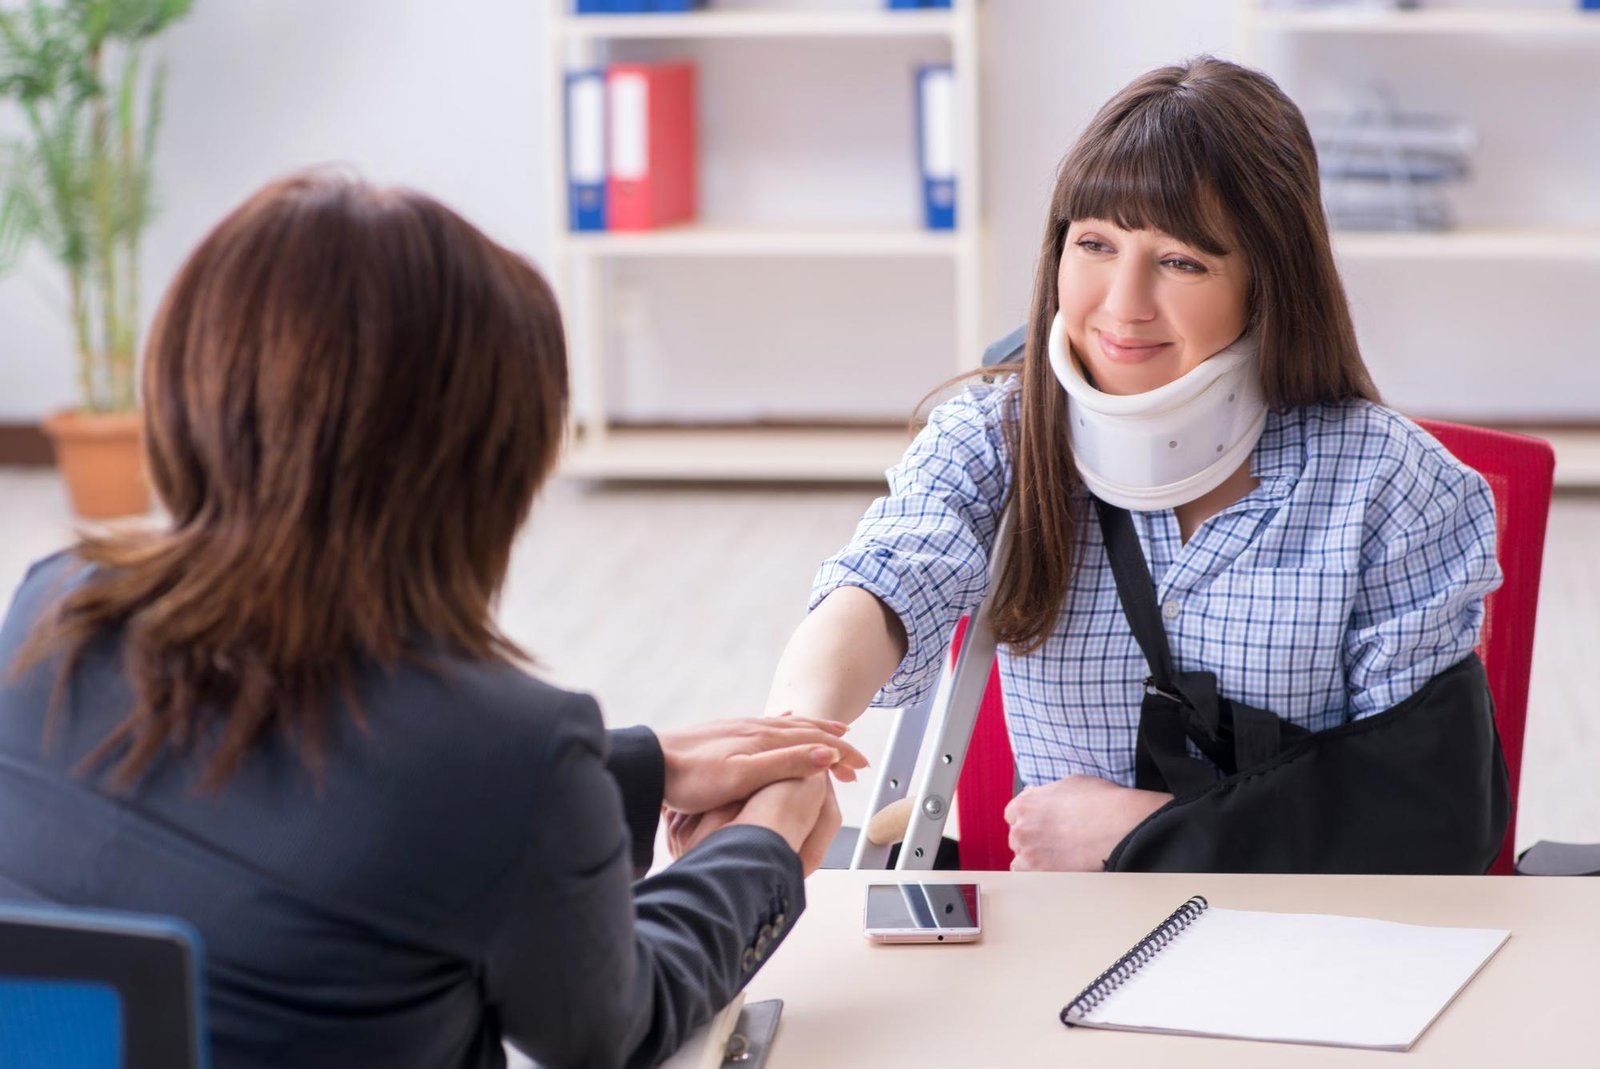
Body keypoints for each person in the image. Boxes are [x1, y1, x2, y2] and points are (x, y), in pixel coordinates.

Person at [0, 171, 866, 1069]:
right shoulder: (502, 753)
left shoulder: (52, 610)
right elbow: (612, 1025)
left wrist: (633, 768)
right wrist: (761, 848)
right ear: (480, 470)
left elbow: (295, 801)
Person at [763, 55, 1507, 874]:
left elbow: (1431, 815)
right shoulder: (999, 435)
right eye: (1095, 244)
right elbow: (881, 584)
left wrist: (1148, 832)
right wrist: (786, 758)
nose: (1122, 303)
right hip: (1063, 944)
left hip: (1309, 949)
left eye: (1182, 260)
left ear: (1269, 280)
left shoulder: (1397, 488)